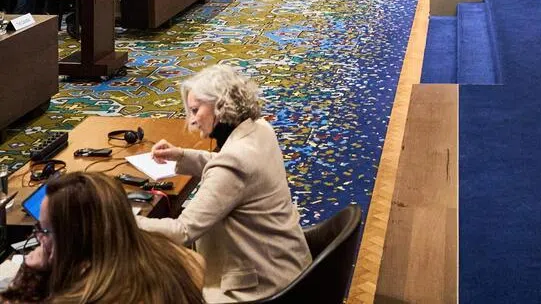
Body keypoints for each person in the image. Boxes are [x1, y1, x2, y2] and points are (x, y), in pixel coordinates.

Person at [140, 65, 311, 301]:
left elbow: (182, 231)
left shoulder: (233, 163)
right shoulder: (260, 128)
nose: (192, 120)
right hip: (286, 264)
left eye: (195, 110)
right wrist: (181, 155)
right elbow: (233, 168)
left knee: (151, 278)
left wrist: (122, 217)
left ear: (221, 106)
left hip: (260, 286)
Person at [0, 170, 202, 304]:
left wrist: (30, 274)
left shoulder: (84, 297)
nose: (38, 239)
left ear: (75, 241)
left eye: (44, 231)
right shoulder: (168, 253)